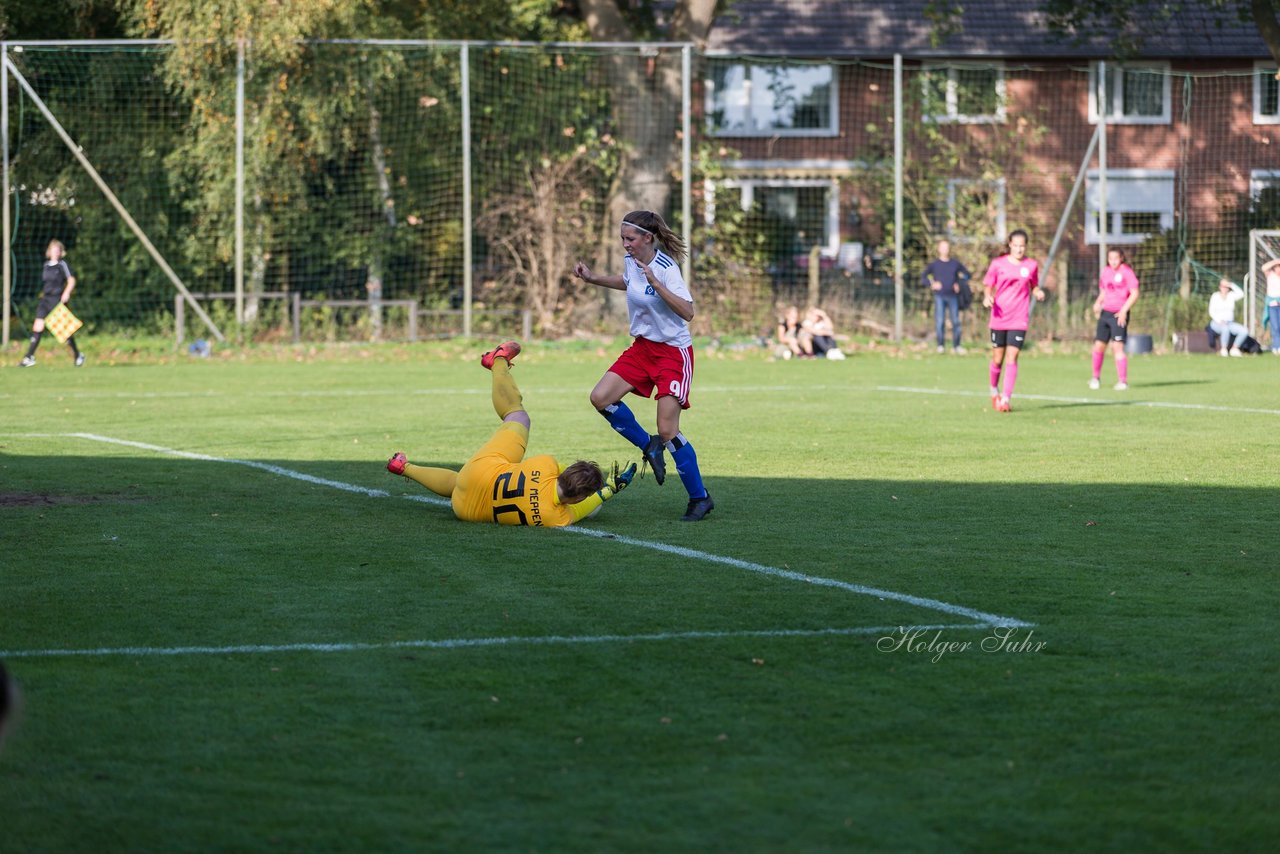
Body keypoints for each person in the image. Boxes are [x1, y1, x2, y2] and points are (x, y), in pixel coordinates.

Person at [386, 341, 635, 526]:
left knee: (517, 417)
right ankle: (402, 466)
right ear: (578, 495)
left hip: (478, 473)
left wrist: (592, 482)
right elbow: (585, 507)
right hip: (463, 510)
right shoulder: (554, 518)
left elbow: (561, 479)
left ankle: (498, 361)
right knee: (460, 484)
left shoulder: (546, 464)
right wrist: (610, 489)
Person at [573, 210, 714, 522]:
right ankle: (648, 445)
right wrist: (592, 277)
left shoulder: (666, 269)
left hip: (673, 354)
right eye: (623, 238)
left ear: (648, 238)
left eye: (631, 238)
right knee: (601, 398)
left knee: (668, 430)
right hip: (643, 349)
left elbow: (687, 312)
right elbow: (628, 282)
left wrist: (656, 283)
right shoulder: (631, 261)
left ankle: (700, 497)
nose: (626, 244)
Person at [982, 229, 1045, 412]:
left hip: (1019, 318)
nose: (1019, 249)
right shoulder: (998, 264)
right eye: (1016, 246)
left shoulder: (1031, 265)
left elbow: (1034, 285)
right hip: (999, 317)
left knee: (1012, 356)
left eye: (1022, 246)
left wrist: (1038, 292)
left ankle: (1006, 399)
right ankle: (994, 391)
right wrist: (987, 297)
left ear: (1026, 246)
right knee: (997, 359)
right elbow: (988, 286)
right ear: (1010, 244)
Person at [19, 239, 85, 368]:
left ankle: (78, 355)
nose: (55, 252)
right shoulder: (46, 265)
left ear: (61, 252)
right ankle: (29, 357)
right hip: (45, 300)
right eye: (53, 249)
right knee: (37, 326)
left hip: (57, 300)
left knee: (64, 332)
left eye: (57, 250)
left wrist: (66, 293)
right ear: (49, 251)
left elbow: (71, 280)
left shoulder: (63, 265)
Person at [1090, 248, 1141, 390]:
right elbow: (1104, 291)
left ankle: (1123, 381)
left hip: (1119, 315)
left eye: (1116, 258)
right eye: (1110, 258)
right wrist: (1097, 302)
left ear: (1121, 258)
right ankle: (1095, 378)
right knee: (1099, 345)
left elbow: (1135, 293)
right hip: (1105, 314)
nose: (1113, 261)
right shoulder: (1106, 271)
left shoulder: (1127, 272)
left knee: (1117, 347)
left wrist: (1124, 310)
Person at [922, 239, 972, 354]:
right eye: (943, 247)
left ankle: (957, 346)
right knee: (940, 321)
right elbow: (923, 277)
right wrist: (932, 284)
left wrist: (959, 283)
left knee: (955, 321)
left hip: (953, 297)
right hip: (939, 296)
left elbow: (968, 275)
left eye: (947, 247)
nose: (945, 250)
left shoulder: (955, 264)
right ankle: (940, 346)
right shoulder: (934, 265)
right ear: (939, 249)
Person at [1208, 278, 1248, 357]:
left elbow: (1241, 294)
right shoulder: (1215, 296)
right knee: (1225, 328)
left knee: (1244, 331)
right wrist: (1220, 320)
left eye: (1226, 286)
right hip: (1217, 323)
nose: (1225, 288)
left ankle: (1234, 348)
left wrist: (1231, 284)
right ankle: (1224, 349)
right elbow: (1211, 311)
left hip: (1230, 323)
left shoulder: (1231, 295)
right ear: (1220, 287)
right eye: (1223, 286)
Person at [1263, 258, 1280, 355]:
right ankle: (1276, 346)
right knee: (1275, 327)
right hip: (1272, 306)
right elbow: (1264, 267)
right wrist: (1276, 261)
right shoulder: (1270, 275)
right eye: (1277, 268)